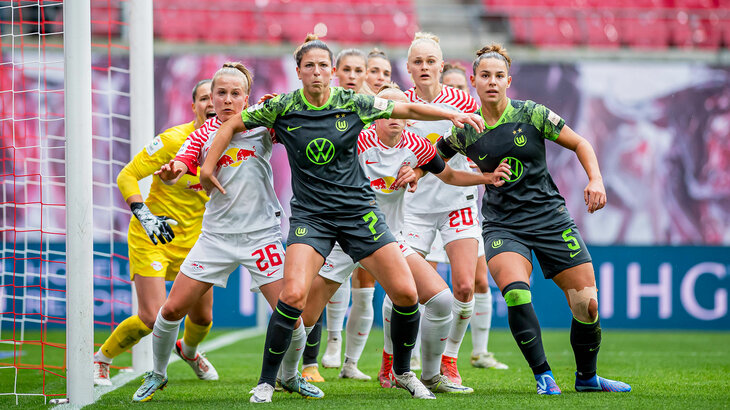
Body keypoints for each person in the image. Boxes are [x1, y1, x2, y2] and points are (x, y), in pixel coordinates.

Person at [200, 35, 485, 403]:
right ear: (298, 71)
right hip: (312, 218)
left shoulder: (353, 102)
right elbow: (230, 125)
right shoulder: (282, 107)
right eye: (309, 66)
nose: (316, 71)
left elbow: (405, 111)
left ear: (332, 72)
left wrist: (452, 113)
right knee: (294, 296)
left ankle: (402, 373)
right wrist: (207, 167)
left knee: (406, 294)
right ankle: (269, 381)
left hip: (359, 215)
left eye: (323, 65)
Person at [436, 43, 632, 395]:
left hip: (550, 219)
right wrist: (415, 172)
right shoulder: (467, 131)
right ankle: (543, 375)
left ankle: (587, 378)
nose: (492, 82)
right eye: (485, 76)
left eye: (498, 76)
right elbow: (436, 161)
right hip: (503, 225)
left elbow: (581, 144)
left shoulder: (532, 113)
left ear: (508, 81)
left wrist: (596, 179)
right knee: (515, 293)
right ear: (473, 81)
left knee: (587, 304)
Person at [130, 63, 320, 402]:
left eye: (235, 94)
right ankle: (157, 374)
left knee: (291, 317)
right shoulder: (202, 135)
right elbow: (185, 162)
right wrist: (173, 169)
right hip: (216, 238)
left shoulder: (263, 125)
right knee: (171, 311)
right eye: (221, 93)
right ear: (211, 98)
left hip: (260, 236)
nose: (228, 100)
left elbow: (296, 124)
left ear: (246, 98)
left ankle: (290, 377)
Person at [93, 79, 217, 386]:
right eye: (204, 98)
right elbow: (128, 175)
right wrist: (144, 215)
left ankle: (188, 351)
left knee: (203, 318)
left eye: (217, 97)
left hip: (197, 241)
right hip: (155, 235)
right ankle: (102, 359)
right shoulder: (174, 140)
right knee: (152, 317)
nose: (212, 103)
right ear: (194, 106)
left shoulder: (233, 144)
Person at [399, 32, 483, 384]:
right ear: (407, 67)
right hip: (413, 207)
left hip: (456, 203)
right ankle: (394, 360)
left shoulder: (462, 102)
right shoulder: (399, 103)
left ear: (441, 64)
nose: (424, 67)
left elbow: (481, 139)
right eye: (417, 61)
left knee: (465, 286)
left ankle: (449, 359)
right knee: (402, 287)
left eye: (430, 61)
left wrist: (484, 163)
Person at [302, 48, 369, 383]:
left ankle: (368, 363)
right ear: (336, 72)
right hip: (334, 213)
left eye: (363, 70)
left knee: (374, 289)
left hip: (379, 217)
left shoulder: (381, 114)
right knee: (324, 283)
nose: (354, 76)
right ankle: (323, 350)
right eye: (348, 69)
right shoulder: (327, 112)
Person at [437, 60, 508, 371]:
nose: (456, 92)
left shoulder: (475, 123)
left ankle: (479, 352)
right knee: (420, 288)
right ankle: (414, 355)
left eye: (460, 88)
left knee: (477, 282)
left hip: (463, 205)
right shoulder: (433, 119)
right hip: (426, 207)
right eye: (449, 86)